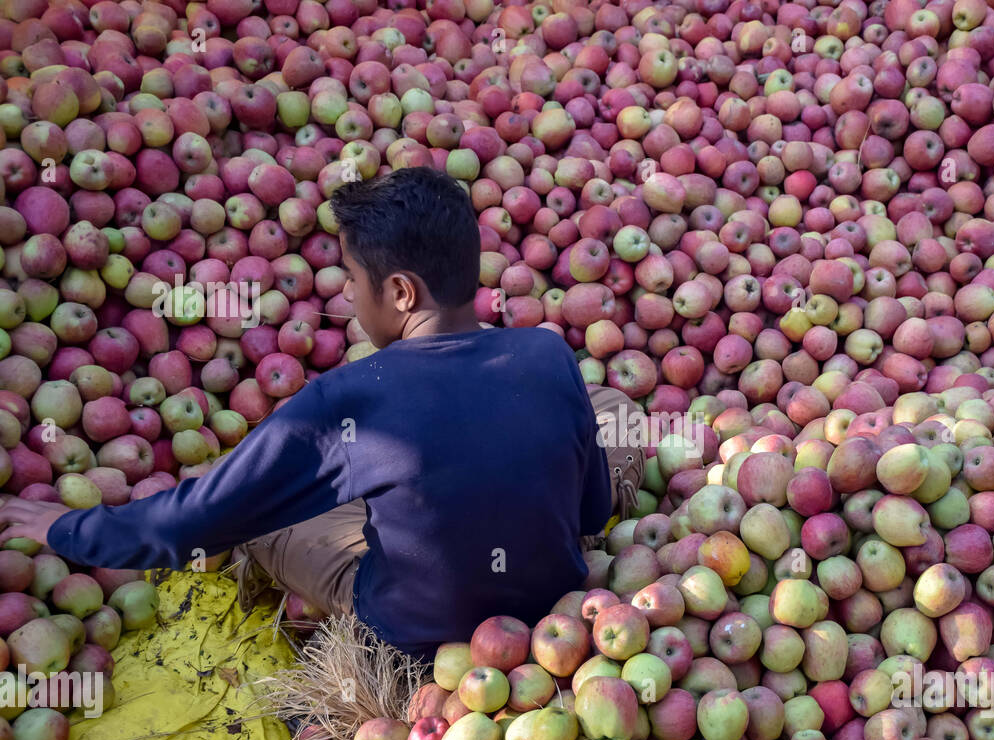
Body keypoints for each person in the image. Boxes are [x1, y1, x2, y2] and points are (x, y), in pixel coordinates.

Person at [0, 167, 645, 662]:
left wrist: (67, 528)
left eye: (351, 278)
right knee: (611, 405)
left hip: (419, 640)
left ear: (400, 292)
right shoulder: (546, 351)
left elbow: (191, 523)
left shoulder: (349, 398)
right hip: (554, 600)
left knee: (252, 508)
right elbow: (590, 514)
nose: (344, 292)